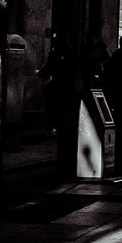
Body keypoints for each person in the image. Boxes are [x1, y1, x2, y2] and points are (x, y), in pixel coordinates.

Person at [37, 29, 80, 178]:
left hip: (59, 89)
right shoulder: (72, 53)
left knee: (55, 111)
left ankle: (53, 128)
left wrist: (41, 73)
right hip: (68, 90)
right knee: (66, 121)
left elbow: (48, 69)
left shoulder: (57, 53)